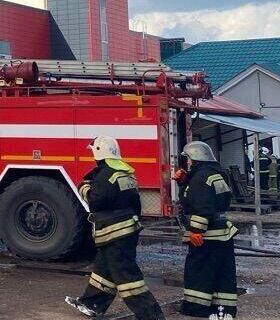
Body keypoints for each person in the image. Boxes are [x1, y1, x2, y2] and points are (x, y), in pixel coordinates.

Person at [65, 136, 165, 320]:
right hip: (125, 232)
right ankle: (91, 303)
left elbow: (96, 202)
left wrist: (84, 188)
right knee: (103, 269)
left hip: (114, 234)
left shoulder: (105, 176)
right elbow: (136, 204)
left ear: (98, 152)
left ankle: (152, 315)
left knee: (128, 278)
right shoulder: (126, 174)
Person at [178, 141, 239, 319]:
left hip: (207, 235)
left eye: (188, 159)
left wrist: (196, 231)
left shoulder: (200, 179)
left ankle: (196, 307)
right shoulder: (217, 174)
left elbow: (201, 205)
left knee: (199, 270)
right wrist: (184, 181)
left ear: (195, 157)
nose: (188, 162)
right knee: (222, 272)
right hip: (222, 233)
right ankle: (224, 309)